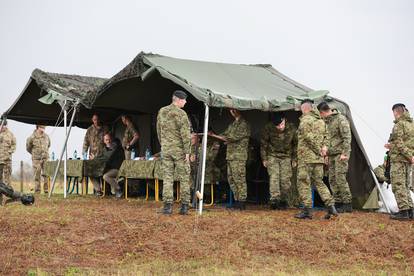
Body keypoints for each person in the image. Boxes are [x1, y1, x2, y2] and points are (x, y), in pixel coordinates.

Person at [295, 99, 337, 219]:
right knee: (319, 182)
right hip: (318, 159)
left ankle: (307, 211)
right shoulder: (321, 121)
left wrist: (318, 149)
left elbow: (308, 138)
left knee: (304, 183)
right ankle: (331, 207)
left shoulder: (305, 120)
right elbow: (327, 137)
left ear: (304, 109)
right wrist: (324, 149)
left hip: (306, 158)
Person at [156, 90, 192, 215]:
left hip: (166, 150)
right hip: (179, 151)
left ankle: (167, 207)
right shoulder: (181, 114)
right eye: (184, 100)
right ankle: (184, 207)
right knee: (184, 178)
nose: (186, 102)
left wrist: (164, 145)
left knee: (167, 178)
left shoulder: (162, 111)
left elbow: (158, 131)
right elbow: (186, 135)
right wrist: (188, 152)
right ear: (178, 100)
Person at [209, 109, 251, 210]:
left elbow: (231, 138)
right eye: (231, 110)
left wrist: (215, 136)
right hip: (231, 156)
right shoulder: (233, 124)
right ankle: (237, 201)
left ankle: (242, 201)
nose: (231, 111)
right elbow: (224, 134)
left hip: (239, 156)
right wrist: (213, 135)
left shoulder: (243, 124)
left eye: (233, 109)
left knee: (239, 178)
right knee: (231, 178)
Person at [317, 102, 353, 213]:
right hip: (331, 155)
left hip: (340, 154)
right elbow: (328, 139)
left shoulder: (340, 119)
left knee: (340, 178)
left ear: (322, 112)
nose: (320, 116)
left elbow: (347, 137)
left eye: (320, 114)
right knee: (332, 179)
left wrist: (345, 153)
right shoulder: (326, 122)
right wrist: (326, 155)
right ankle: (338, 202)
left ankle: (347, 203)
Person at [260, 113, 297, 210]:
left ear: (284, 120)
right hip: (273, 155)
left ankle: (284, 200)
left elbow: (296, 144)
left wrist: (294, 159)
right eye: (277, 125)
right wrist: (264, 158)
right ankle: (274, 201)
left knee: (285, 180)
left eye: (281, 124)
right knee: (274, 178)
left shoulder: (292, 128)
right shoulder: (268, 128)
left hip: (286, 156)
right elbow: (264, 144)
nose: (280, 127)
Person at [385, 103, 414, 220]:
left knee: (398, 185)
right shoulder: (411, 124)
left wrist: (408, 156)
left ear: (396, 112)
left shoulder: (399, 125)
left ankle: (403, 212)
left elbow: (400, 143)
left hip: (399, 160)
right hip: (408, 160)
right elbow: (407, 142)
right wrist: (411, 156)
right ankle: (410, 210)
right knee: (406, 185)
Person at [82, 114, 106, 195]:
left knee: (103, 172)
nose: (96, 121)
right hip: (92, 155)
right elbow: (86, 142)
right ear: (92, 120)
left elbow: (108, 141)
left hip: (102, 155)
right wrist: (84, 153)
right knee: (92, 172)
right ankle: (97, 190)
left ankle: (106, 191)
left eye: (97, 119)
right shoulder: (90, 130)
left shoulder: (104, 129)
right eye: (95, 119)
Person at [98, 133, 125, 198]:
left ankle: (118, 190)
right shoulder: (105, 149)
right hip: (110, 168)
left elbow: (108, 159)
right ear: (104, 141)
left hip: (118, 169)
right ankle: (99, 191)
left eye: (109, 139)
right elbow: (101, 158)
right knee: (94, 173)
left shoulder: (116, 148)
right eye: (106, 140)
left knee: (105, 176)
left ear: (112, 140)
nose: (108, 141)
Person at [26, 125, 50, 194]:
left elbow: (49, 145)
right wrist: (34, 154)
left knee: (46, 174)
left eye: (44, 128)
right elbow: (28, 147)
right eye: (41, 127)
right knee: (37, 175)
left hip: (45, 158)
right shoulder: (32, 137)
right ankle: (37, 190)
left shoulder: (46, 136)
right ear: (37, 127)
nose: (43, 129)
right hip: (36, 159)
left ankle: (46, 190)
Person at [0, 120, 16, 185]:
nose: (4, 126)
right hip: (0, 159)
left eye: (5, 125)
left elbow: (14, 144)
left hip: (7, 159)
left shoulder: (10, 134)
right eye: (2, 125)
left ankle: (7, 192)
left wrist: (9, 152)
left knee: (8, 176)